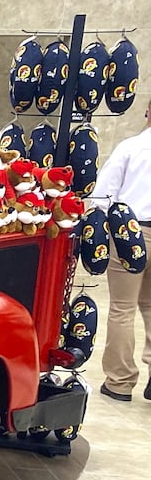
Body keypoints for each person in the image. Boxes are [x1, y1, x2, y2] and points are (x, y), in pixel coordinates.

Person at [91, 99, 151, 401]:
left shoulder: (131, 148)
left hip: (131, 232)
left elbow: (103, 194)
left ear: (148, 111)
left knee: (123, 307)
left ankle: (120, 381)